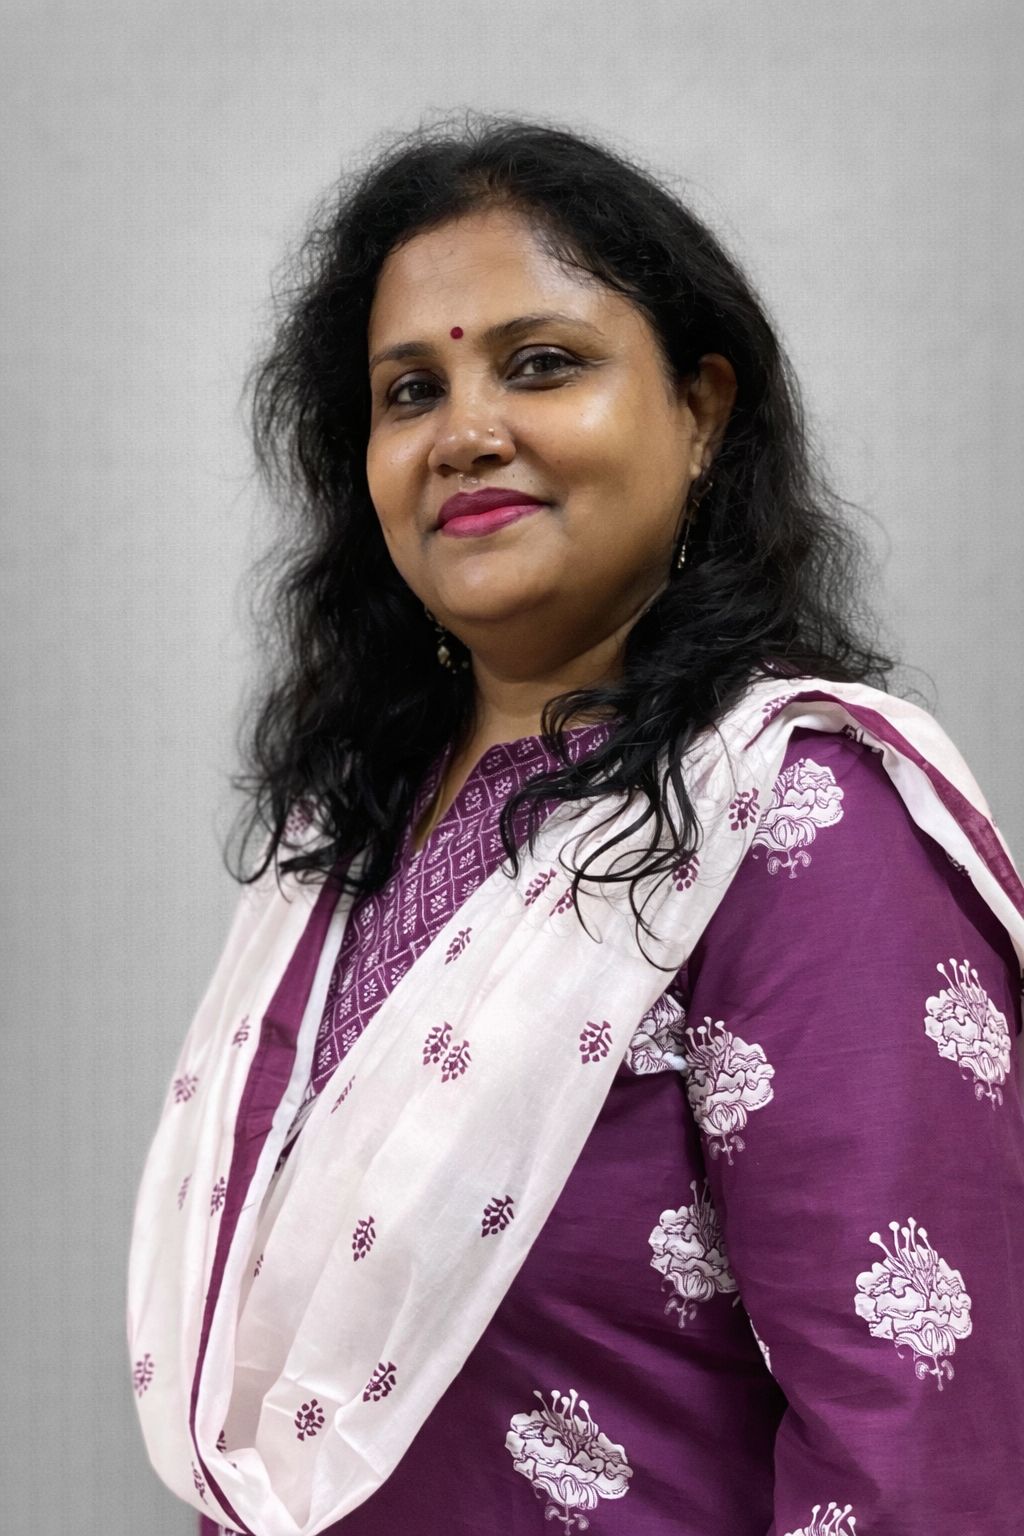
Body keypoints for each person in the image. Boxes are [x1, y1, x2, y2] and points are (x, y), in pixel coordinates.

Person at [127, 113, 1024, 1536]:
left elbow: (913, 1446)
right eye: (410, 391)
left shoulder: (801, 824)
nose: (466, 433)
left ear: (702, 413)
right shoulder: (345, 835)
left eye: (542, 364)